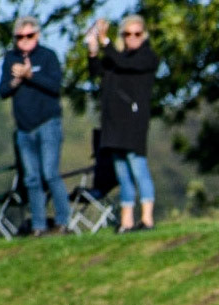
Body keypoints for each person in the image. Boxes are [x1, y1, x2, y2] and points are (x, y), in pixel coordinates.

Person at [0, 17, 71, 236]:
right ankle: (38, 226)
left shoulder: (48, 56)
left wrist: (31, 76)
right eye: (19, 37)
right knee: (31, 178)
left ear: (36, 36)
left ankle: (62, 222)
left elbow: (55, 87)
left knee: (50, 173)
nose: (24, 41)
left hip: (48, 123)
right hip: (23, 129)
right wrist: (16, 80)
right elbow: (2, 91)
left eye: (28, 36)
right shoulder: (10, 59)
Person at [84, 15, 159, 232]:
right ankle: (126, 221)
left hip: (133, 123)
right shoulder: (116, 57)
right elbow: (96, 71)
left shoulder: (147, 58)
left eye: (136, 34)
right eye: (127, 34)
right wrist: (93, 49)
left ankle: (147, 219)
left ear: (143, 35)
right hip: (113, 124)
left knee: (138, 166)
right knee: (122, 172)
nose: (132, 38)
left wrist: (105, 42)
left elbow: (126, 64)